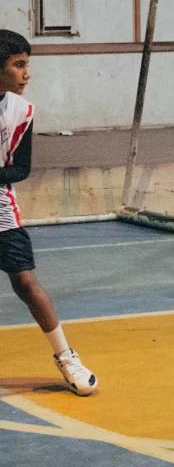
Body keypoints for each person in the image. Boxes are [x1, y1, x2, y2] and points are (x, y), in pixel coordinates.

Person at [0, 29, 98, 395]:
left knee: (26, 281)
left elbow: (21, 168)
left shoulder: (22, 112)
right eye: (18, 65)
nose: (27, 74)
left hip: (0, 207)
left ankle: (66, 357)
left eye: (27, 65)